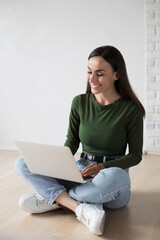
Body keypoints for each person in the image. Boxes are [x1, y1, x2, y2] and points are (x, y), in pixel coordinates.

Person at [15, 45, 145, 236]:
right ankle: (78, 206)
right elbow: (72, 141)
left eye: (99, 74)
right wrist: (59, 164)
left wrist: (103, 168)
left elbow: (135, 156)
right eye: (89, 72)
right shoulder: (79, 103)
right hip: (80, 171)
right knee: (22, 162)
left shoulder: (130, 110)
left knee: (115, 177)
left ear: (116, 75)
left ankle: (56, 198)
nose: (92, 79)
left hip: (111, 175)